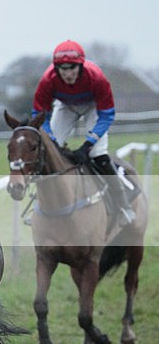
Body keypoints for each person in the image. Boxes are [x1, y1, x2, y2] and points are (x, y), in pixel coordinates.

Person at [32, 39, 136, 225]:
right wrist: (53, 140)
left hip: (92, 107)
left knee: (98, 154)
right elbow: (39, 115)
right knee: (48, 150)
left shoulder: (96, 77)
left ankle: (122, 206)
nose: (67, 73)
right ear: (56, 69)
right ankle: (39, 206)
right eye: (62, 69)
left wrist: (88, 144)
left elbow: (106, 115)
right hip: (65, 106)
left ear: (80, 66)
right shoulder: (48, 80)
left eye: (72, 68)